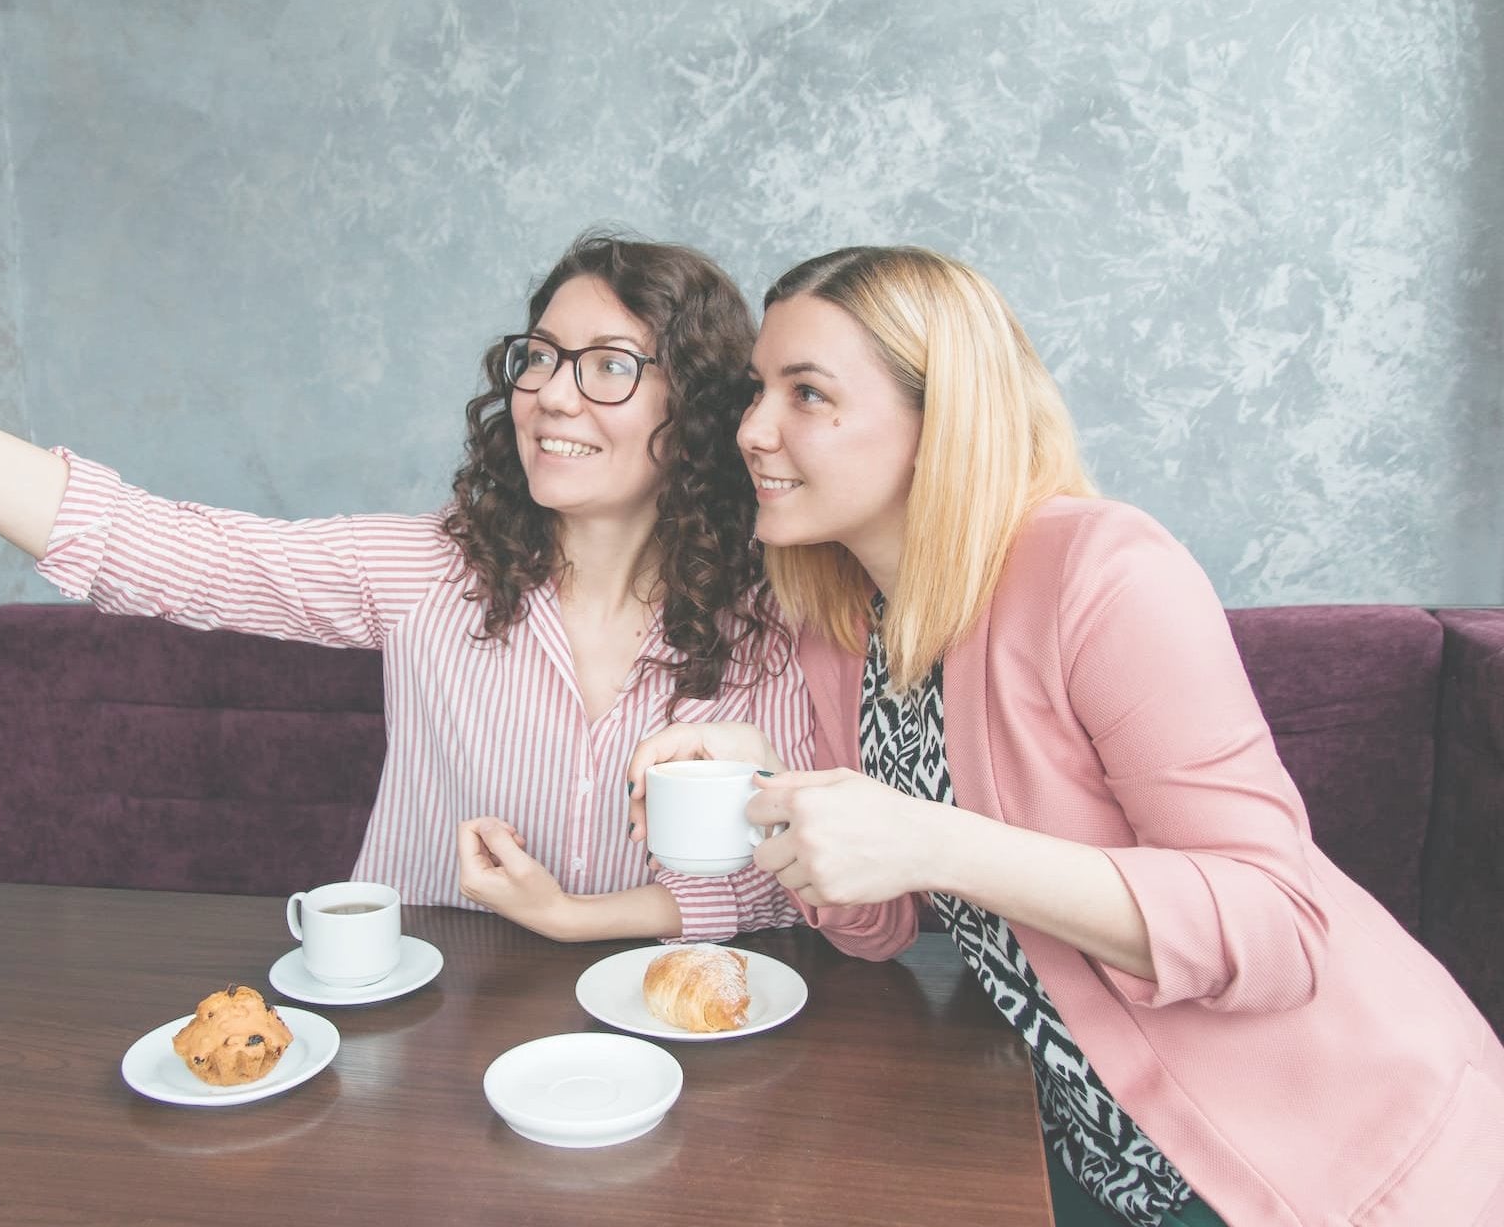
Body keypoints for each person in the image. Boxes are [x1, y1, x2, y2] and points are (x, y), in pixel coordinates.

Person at [628, 246, 1504, 1225]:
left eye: (808, 394)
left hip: (1327, 1167)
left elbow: (1277, 928)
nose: (752, 429)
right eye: (758, 390)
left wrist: (935, 841)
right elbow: (879, 932)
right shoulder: (845, 627)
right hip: (1092, 1151)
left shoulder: (1101, 569)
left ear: (940, 421)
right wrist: (775, 797)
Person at [0, 210, 813, 944]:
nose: (553, 396)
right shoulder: (426, 568)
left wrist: (581, 919)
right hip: (433, 1018)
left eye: (610, 367)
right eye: (538, 356)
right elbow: (148, 546)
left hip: (681, 1023)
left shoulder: (776, 618)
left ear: (702, 411)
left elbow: (793, 880)